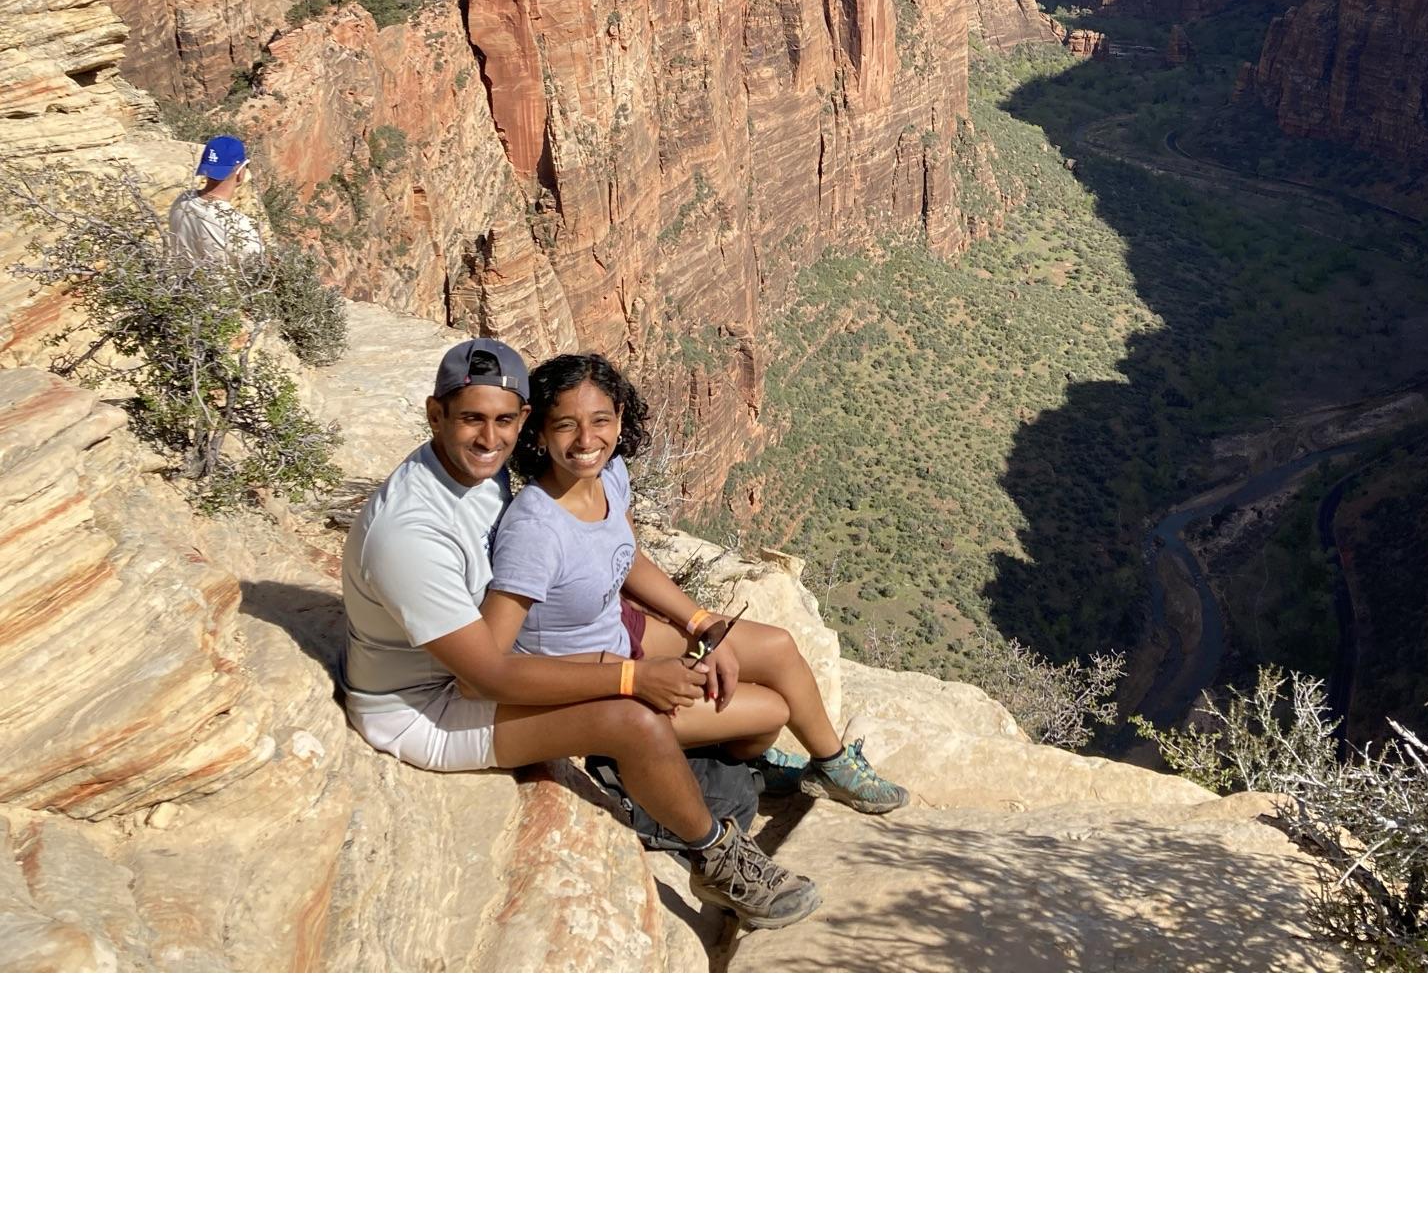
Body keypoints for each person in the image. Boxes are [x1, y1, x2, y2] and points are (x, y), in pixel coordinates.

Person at [339, 336, 821, 929]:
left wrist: (686, 624)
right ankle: (715, 858)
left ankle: (722, 767)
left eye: (504, 421)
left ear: (523, 422)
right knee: (630, 719)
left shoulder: (475, 467)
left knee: (739, 662)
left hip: (479, 658)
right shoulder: (410, 533)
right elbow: (481, 676)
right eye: (471, 420)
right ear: (435, 414)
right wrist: (629, 678)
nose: (490, 439)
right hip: (423, 708)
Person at [485, 351, 908, 814]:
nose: (587, 439)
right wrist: (632, 681)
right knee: (770, 712)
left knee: (778, 649)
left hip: (623, 633)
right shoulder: (535, 531)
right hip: (586, 685)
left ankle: (832, 766)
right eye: (565, 425)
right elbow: (494, 661)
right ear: (540, 431)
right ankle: (720, 761)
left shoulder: (609, 474)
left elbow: (627, 559)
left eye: (600, 420)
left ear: (620, 417)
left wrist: (701, 623)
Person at [166, 135, 265, 275]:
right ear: (240, 173)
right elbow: (262, 271)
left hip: (180, 290)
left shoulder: (182, 201)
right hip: (219, 296)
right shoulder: (237, 225)